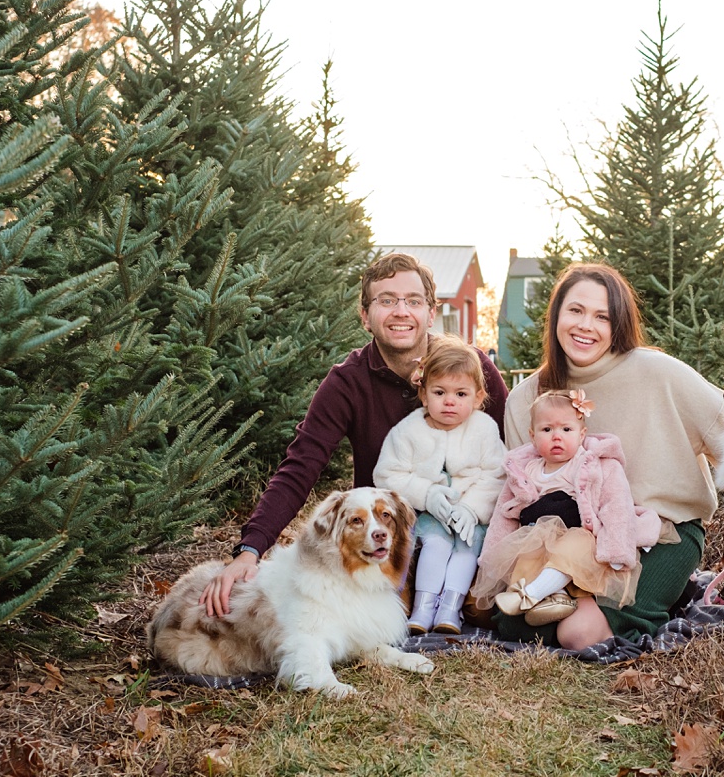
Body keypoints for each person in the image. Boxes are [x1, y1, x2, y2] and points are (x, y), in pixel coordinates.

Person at [201, 253, 508, 617]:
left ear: (430, 312)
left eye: (413, 301)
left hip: (471, 533)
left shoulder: (470, 367)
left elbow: (512, 455)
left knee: (487, 610)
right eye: (386, 300)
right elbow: (301, 467)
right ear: (365, 316)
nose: (401, 311)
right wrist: (249, 551)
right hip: (386, 540)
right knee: (378, 609)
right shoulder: (347, 382)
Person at [499, 263, 724, 650]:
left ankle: (660, 594)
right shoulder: (527, 400)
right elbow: (525, 494)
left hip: (661, 532)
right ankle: (587, 600)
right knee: (514, 627)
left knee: (577, 633)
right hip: (566, 538)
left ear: (617, 324)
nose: (586, 325)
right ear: (556, 315)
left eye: (602, 316)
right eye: (575, 311)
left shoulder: (659, 373)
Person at [472, 389, 666, 627]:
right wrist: (492, 554)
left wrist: (616, 548)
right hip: (537, 540)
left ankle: (532, 594)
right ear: (532, 436)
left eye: (566, 429)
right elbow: (504, 514)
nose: (556, 437)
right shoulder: (525, 470)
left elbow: (616, 505)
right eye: (547, 430)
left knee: (574, 545)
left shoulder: (593, 465)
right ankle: (553, 599)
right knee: (525, 554)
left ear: (582, 434)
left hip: (583, 538)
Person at [373, 336, 506, 635]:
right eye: (439, 392)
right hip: (431, 515)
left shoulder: (484, 428)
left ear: (477, 397)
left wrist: (472, 510)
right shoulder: (408, 430)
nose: (449, 401)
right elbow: (388, 474)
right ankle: (423, 606)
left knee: (467, 550)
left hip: (472, 516)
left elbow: (496, 475)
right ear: (423, 395)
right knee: (435, 545)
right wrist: (427, 495)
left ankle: (450, 607)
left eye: (461, 394)